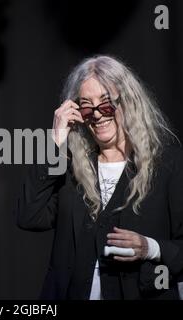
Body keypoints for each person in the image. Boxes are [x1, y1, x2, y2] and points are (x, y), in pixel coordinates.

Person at [15, 55, 183, 300]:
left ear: (129, 102)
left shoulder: (168, 163)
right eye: (86, 106)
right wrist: (55, 143)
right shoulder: (72, 168)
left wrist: (151, 248)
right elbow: (28, 216)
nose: (97, 114)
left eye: (106, 104)